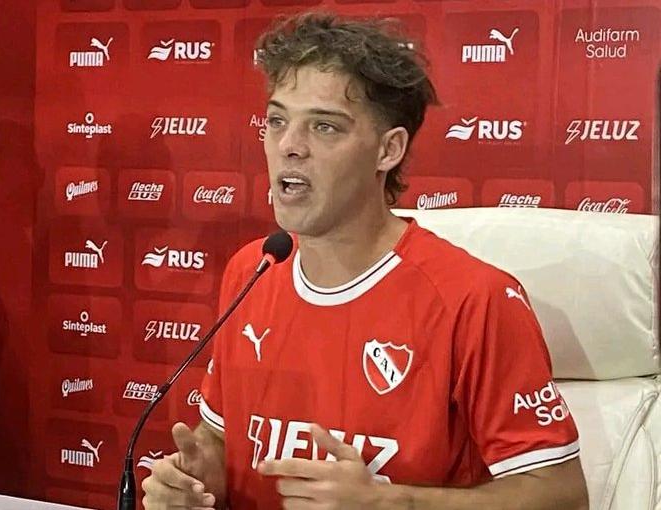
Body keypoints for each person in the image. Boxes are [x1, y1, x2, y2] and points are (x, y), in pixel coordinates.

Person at [141, 12, 589, 510]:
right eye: (277, 121)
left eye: (324, 127)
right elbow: (222, 438)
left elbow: (562, 498)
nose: (289, 146)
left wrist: (390, 504)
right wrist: (195, 481)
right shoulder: (253, 270)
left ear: (387, 150)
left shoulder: (474, 300)